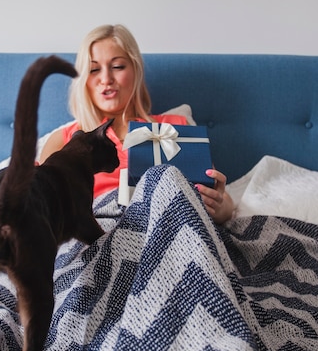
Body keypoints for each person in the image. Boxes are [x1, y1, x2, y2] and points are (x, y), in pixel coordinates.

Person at [40, 24, 235, 224]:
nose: (106, 79)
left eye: (117, 67)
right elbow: (44, 205)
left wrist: (222, 208)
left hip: (175, 223)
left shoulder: (176, 129)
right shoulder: (64, 140)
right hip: (102, 229)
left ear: (135, 70)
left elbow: (220, 198)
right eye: (94, 69)